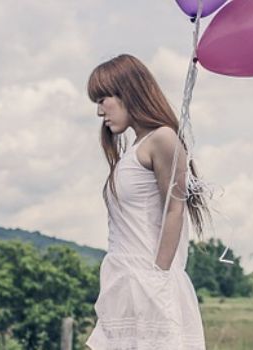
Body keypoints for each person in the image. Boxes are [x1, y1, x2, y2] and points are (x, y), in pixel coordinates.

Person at [84, 54, 209, 349]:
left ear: (129, 92)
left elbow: (174, 209)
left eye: (104, 98)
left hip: (149, 284)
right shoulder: (133, 150)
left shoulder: (162, 139)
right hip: (124, 285)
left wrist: (158, 277)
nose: (100, 111)